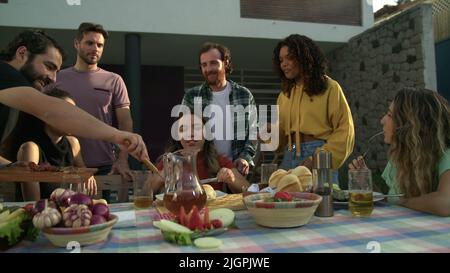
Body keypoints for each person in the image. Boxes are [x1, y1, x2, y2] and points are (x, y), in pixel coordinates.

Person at [349, 87, 450, 217]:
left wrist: (405, 202)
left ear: (411, 124)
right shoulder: (401, 156)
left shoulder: (446, 155)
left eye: (390, 115)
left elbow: (445, 203)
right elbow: (391, 203)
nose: (382, 120)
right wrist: (365, 181)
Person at [55, 22, 133, 180]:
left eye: (100, 45)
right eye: (90, 43)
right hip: (64, 162)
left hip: (103, 165)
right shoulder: (57, 78)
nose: (95, 49)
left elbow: (125, 123)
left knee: (101, 205)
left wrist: (123, 159)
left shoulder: (114, 80)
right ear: (77, 44)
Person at [273, 34, 354, 178]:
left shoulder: (330, 87)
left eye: (289, 57)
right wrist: (269, 133)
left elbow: (345, 131)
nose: (284, 64)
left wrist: (316, 159)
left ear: (304, 57)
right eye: (281, 60)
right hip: (289, 156)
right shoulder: (283, 96)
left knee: (323, 200)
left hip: (318, 156)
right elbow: (278, 145)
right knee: (281, 199)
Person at [1, 88, 97, 201]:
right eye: (66, 112)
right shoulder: (31, 148)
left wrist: (88, 175)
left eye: (74, 112)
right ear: (47, 115)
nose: (73, 118)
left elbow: (84, 176)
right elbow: (33, 202)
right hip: (39, 214)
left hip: (65, 211)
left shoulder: (73, 143)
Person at [182, 42, 257, 176]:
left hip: (236, 170)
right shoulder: (192, 96)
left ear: (225, 62)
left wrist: (245, 158)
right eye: (204, 65)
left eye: (213, 63)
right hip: (202, 171)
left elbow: (253, 133)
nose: (208, 69)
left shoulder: (244, 95)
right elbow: (183, 134)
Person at [153, 113, 250, 194]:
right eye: (183, 129)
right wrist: (160, 178)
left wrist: (231, 179)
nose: (190, 134)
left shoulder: (219, 161)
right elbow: (145, 192)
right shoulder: (169, 160)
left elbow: (248, 189)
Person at [0, 30, 64, 143]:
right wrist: (107, 133)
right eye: (49, 66)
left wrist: (13, 162)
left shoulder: (15, 96)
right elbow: (54, 111)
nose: (53, 79)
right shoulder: (3, 72)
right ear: (22, 53)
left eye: (56, 72)